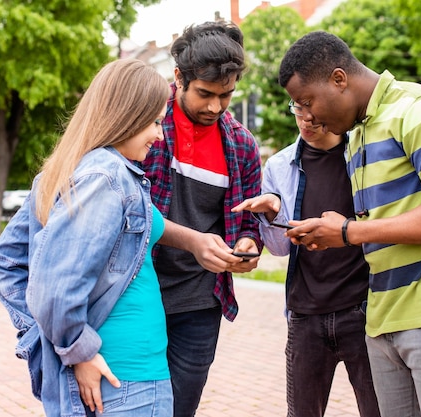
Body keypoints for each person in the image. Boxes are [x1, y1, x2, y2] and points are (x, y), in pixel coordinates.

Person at [0, 58, 247, 417]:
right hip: (125, 382)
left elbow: (6, 262)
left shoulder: (88, 169)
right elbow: (55, 288)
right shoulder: (106, 178)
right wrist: (76, 349)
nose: (159, 135)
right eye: (155, 123)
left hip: (124, 376)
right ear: (126, 115)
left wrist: (51, 341)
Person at [278, 31, 421, 417]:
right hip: (383, 317)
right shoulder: (357, 134)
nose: (308, 116)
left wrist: (348, 232)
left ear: (339, 79)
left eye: (307, 101)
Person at [138, 21, 263, 417]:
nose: (215, 107)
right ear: (178, 78)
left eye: (226, 95)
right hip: (138, 294)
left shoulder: (242, 145)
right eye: (205, 94)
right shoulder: (144, 128)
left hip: (200, 303)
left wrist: (248, 245)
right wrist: (192, 241)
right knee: (133, 405)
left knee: (180, 409)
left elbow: (250, 222)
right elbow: (127, 211)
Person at [231, 101, 380, 417]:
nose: (307, 119)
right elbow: (279, 249)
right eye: (298, 109)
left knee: (379, 410)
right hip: (305, 314)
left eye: (314, 109)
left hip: (363, 311)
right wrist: (273, 212)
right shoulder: (279, 165)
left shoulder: (365, 156)